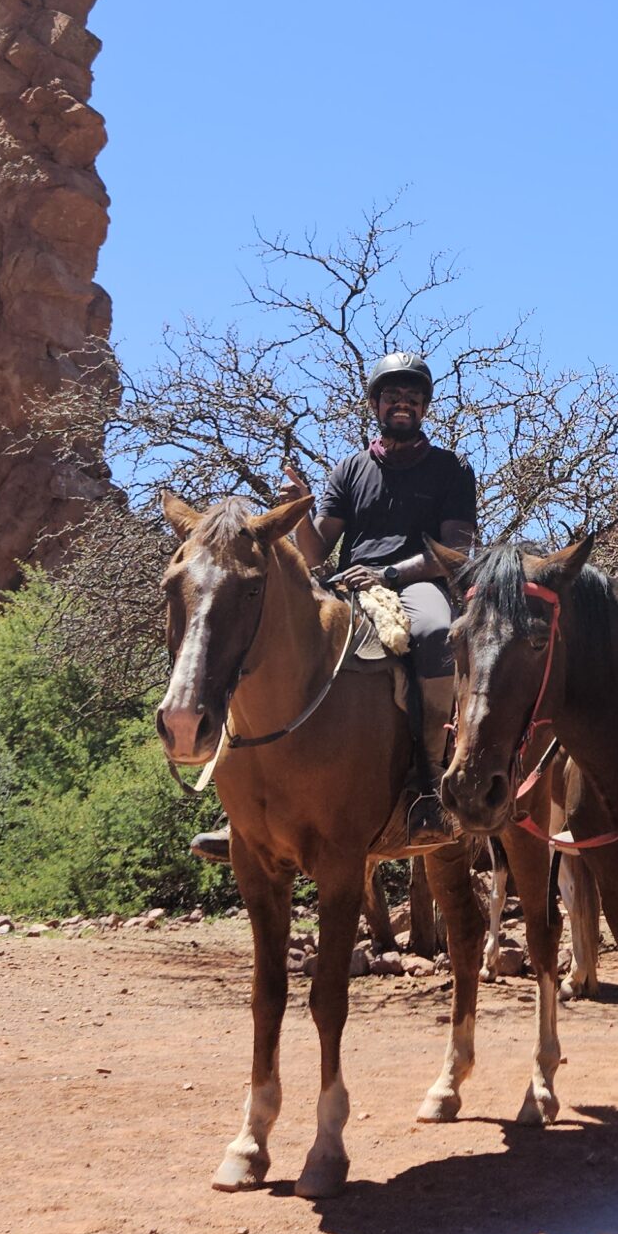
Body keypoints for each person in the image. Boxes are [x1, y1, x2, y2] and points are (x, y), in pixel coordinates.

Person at [191, 352, 477, 865]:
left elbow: (457, 549)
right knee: (272, 635)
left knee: (436, 632)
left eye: (413, 397)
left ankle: (431, 786)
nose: (402, 404)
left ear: (425, 407)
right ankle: (244, 808)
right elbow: (318, 549)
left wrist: (390, 573)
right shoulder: (351, 469)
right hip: (347, 583)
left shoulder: (451, 470)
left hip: (415, 583)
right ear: (375, 404)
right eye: (392, 396)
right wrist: (299, 505)